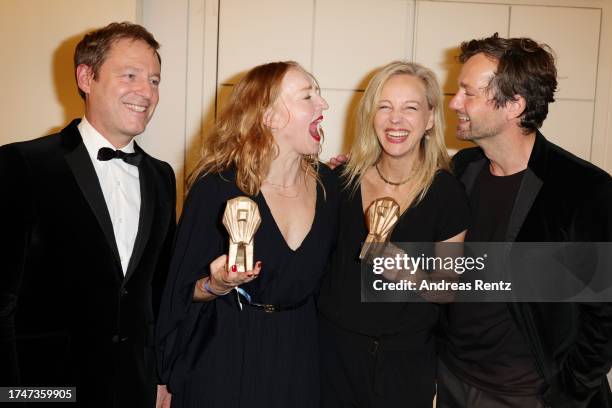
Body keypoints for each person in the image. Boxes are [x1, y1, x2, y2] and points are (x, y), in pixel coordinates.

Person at [0, 22, 176, 408]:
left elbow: (157, 292)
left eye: (155, 80)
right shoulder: (21, 164)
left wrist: (162, 376)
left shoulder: (162, 177)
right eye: (130, 75)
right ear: (86, 77)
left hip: (135, 389)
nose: (146, 92)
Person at [438, 34, 612, 408]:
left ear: (514, 105)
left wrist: (566, 395)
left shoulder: (584, 189)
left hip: (526, 395)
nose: (454, 103)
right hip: (453, 379)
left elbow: (605, 315)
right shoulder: (462, 169)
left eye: (469, 93)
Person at [156, 61, 338, 408]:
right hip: (226, 353)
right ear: (268, 116)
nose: (323, 105)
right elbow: (178, 292)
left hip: (301, 356)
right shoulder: (216, 188)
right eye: (307, 96)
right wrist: (215, 284)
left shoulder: (331, 189)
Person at [317, 61, 469, 408]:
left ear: (430, 119)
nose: (395, 119)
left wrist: (409, 274)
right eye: (384, 106)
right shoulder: (341, 182)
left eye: (410, 108)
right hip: (333, 354)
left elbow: (448, 289)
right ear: (371, 115)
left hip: (406, 364)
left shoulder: (446, 193)